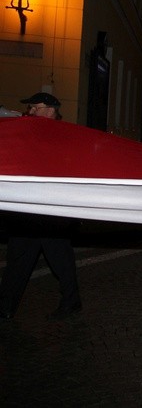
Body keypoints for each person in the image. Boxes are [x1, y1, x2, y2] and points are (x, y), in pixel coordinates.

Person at [0, 92, 83, 321]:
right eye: (30, 109)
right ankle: (5, 307)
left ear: (49, 109)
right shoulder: (30, 131)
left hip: (51, 212)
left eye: (35, 108)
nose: (31, 112)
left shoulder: (63, 135)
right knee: (18, 257)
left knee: (59, 259)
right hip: (29, 209)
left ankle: (71, 301)